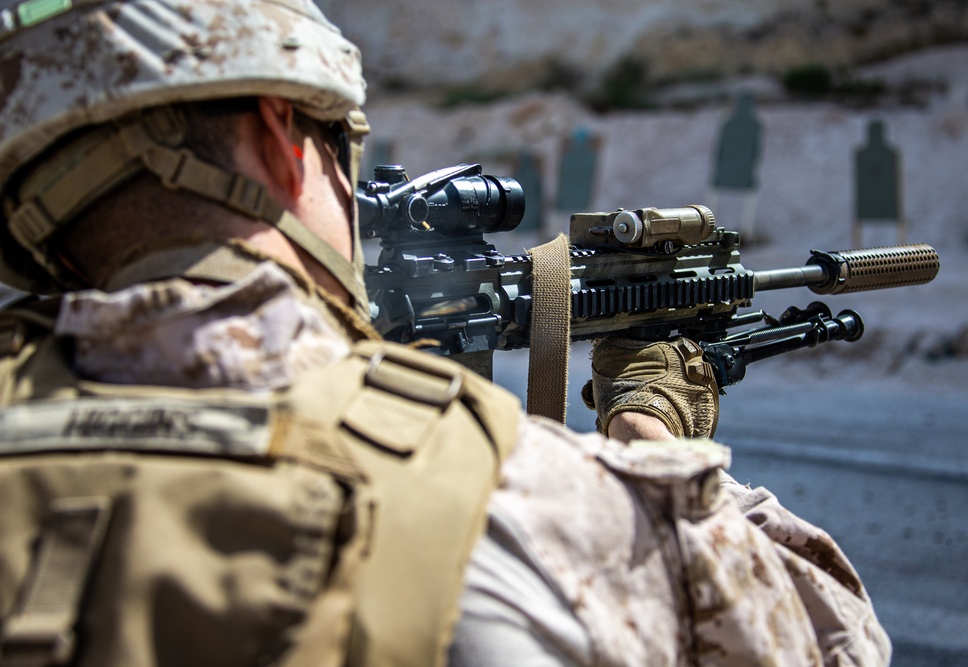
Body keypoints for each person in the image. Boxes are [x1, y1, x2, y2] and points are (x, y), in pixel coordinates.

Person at [0, 1, 890, 665]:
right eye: (343, 148)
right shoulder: (501, 492)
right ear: (282, 136)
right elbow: (832, 633)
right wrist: (648, 431)